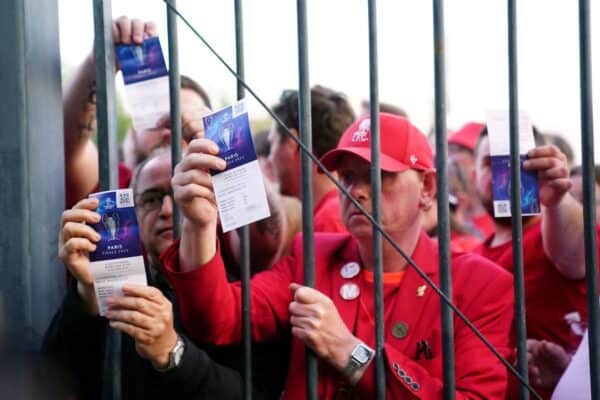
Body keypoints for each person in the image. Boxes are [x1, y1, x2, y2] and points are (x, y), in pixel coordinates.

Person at [161, 113, 515, 399]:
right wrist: (199, 225)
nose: (356, 190)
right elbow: (216, 320)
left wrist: (352, 355)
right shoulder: (312, 254)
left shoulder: (480, 283)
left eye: (377, 176)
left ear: (427, 189)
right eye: (346, 176)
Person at [42, 149, 289, 399]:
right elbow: (52, 380)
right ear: (133, 213)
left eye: (182, 195)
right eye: (152, 199)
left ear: (213, 206)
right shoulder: (115, 286)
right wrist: (87, 297)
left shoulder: (241, 294)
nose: (167, 210)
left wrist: (173, 352)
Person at [472, 126, 594, 398]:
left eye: (513, 163)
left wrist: (557, 200)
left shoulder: (555, 230)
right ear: (474, 175)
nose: (500, 174)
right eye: (489, 163)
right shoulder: (471, 257)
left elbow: (577, 254)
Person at [63, 17, 210, 207]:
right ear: (133, 133)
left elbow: (261, 221)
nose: (169, 131)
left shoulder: (228, 193)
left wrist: (224, 154)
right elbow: (65, 148)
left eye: (187, 121)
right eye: (157, 119)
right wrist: (97, 63)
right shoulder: (114, 183)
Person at [267, 86, 355, 233]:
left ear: (292, 143)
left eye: (272, 144)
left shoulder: (329, 222)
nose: (270, 159)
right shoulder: (337, 212)